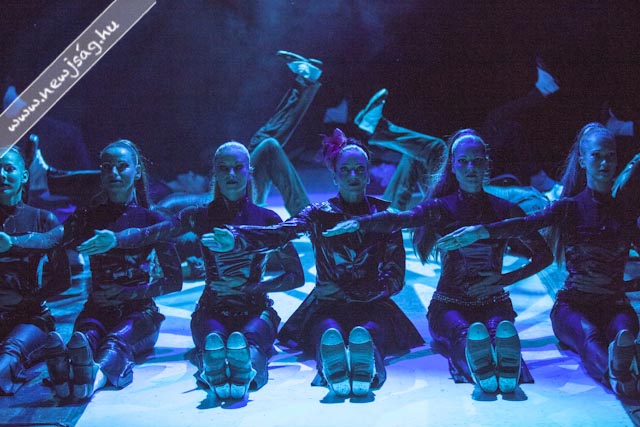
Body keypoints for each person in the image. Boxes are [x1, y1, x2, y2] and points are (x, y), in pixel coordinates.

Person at [324, 129, 553, 394]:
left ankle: (504, 368)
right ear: (452, 167)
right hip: (449, 305)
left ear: (486, 164)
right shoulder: (440, 208)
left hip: (494, 302)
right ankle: (484, 373)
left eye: (476, 161)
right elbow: (401, 219)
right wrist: (361, 222)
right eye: (463, 161)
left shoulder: (504, 209)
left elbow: (544, 255)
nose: (470, 168)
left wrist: (504, 279)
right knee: (464, 334)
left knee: (498, 332)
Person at [203, 129, 424, 398]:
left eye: (359, 170)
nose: (353, 176)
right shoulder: (319, 214)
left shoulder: (385, 217)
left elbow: (395, 279)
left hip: (374, 305)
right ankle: (333, 373)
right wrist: (237, 238)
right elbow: (281, 232)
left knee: (368, 335)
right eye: (345, 170)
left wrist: (352, 292)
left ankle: (367, 372)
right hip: (326, 305)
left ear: (368, 175)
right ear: (335, 176)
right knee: (328, 334)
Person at [78, 141, 305, 401]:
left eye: (238, 167)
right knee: (213, 347)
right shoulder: (198, 216)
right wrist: (116, 239)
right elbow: (153, 233)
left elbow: (296, 276)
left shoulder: (268, 219)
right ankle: (217, 376)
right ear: (215, 172)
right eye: (224, 168)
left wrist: (250, 287)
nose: (231, 174)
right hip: (211, 312)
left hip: (256, 310)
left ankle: (242, 379)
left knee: (250, 346)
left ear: (249, 171)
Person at [438, 123, 640, 398]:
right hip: (573, 308)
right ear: (582, 160)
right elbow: (524, 224)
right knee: (590, 335)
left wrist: (624, 287)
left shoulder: (624, 214)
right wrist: (482, 231)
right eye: (597, 156)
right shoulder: (569, 207)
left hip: (615, 305)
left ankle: (622, 368)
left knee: (624, 333)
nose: (605, 162)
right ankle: (617, 377)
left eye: (610, 156)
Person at [0, 139, 183, 401]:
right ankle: (68, 378)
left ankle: (92, 381)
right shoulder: (88, 216)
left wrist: (126, 293)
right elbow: (51, 238)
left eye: (121, 166)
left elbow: (174, 281)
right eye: (107, 167)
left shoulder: (154, 220)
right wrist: (12, 242)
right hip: (96, 310)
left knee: (114, 343)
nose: (114, 173)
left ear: (137, 172)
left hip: (140, 314)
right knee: (81, 342)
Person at [0, 147, 70, 395]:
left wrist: (31, 299)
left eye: (9, 168)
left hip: (31, 320)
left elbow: (63, 280)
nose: (2, 175)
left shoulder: (43, 220)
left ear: (24, 176)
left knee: (8, 358)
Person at [354, 89, 448, 211]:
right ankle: (390, 212)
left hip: (454, 213)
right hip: (451, 203)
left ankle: (378, 129)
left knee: (438, 149)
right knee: (416, 154)